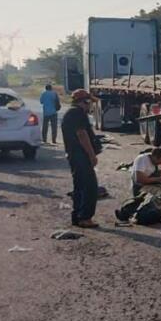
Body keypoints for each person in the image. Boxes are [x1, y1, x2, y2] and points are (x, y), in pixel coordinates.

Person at [61, 89, 100, 228]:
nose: (90, 106)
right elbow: (82, 135)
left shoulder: (72, 113)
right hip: (80, 155)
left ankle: (77, 216)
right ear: (85, 101)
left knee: (80, 186)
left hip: (75, 155)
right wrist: (92, 155)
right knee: (89, 187)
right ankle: (84, 217)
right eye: (89, 102)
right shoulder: (77, 113)